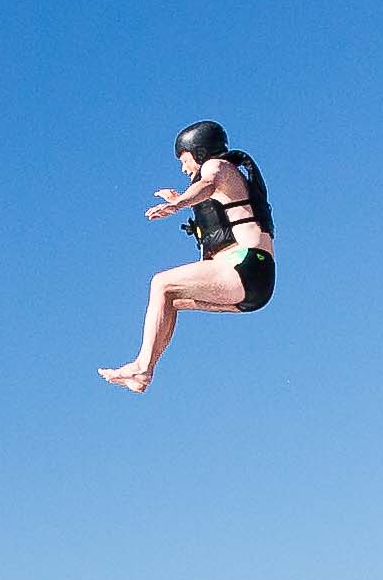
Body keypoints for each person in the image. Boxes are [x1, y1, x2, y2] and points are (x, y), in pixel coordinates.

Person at [101, 121, 271, 393]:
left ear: (200, 151)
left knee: (161, 283)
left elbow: (207, 184)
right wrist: (181, 197)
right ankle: (143, 372)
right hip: (253, 289)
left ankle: (142, 368)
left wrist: (177, 204)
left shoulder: (218, 166)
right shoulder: (231, 180)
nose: (183, 168)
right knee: (171, 300)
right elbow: (212, 198)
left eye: (184, 160)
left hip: (245, 266)